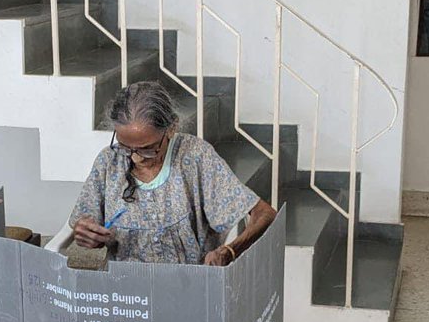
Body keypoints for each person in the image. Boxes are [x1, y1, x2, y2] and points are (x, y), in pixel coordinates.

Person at [70, 81, 277, 265]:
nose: (136, 158)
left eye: (148, 148)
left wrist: (230, 251)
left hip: (189, 285)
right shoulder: (108, 161)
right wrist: (87, 234)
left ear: (171, 128)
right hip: (129, 292)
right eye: (125, 147)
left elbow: (264, 214)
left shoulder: (194, 156)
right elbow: (87, 225)